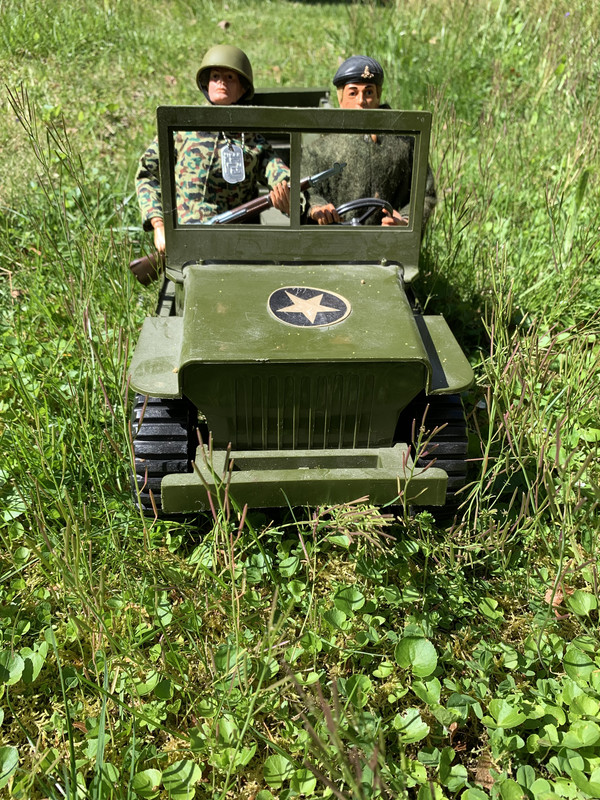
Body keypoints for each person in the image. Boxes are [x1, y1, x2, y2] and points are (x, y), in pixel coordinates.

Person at [135, 45, 290, 253]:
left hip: (237, 244)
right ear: (205, 84)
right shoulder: (183, 131)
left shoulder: (252, 139)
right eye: (215, 76)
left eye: (229, 78)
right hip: (186, 241)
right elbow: (147, 173)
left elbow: (278, 172)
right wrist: (158, 223)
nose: (221, 83)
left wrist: (285, 192)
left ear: (243, 88)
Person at [302, 55, 436, 228]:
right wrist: (318, 208)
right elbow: (306, 191)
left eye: (369, 92)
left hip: (390, 245)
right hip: (335, 244)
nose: (361, 101)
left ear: (378, 96)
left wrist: (404, 221)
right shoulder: (321, 149)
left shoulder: (405, 145)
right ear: (341, 99)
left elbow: (425, 195)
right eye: (353, 93)